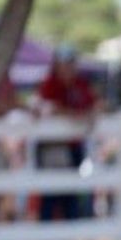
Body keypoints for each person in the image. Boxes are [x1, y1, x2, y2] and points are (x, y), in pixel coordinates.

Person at [35, 46, 99, 223]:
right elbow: (48, 108)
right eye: (64, 64)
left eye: (70, 64)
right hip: (53, 148)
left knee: (70, 194)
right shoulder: (50, 84)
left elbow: (93, 104)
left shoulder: (80, 84)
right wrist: (75, 115)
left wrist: (87, 114)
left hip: (74, 146)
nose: (67, 68)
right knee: (51, 195)